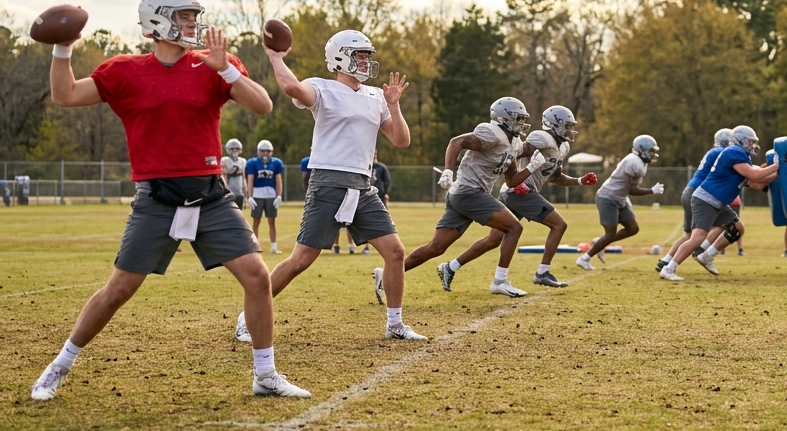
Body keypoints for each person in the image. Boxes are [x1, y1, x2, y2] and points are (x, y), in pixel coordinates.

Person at [30, 0, 308, 401]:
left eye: (194, 16)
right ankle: (60, 365)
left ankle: (265, 374)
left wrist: (225, 70)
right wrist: (62, 48)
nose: (194, 24)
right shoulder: (123, 70)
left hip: (210, 195)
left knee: (256, 277)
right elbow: (65, 94)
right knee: (119, 289)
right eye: (184, 16)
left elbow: (263, 105)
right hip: (156, 199)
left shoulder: (215, 65)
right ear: (158, 21)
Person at [237, 30, 426, 343]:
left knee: (395, 252)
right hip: (328, 182)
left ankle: (395, 324)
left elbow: (401, 140)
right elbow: (289, 87)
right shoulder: (322, 88)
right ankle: (248, 317)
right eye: (360, 55)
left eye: (368, 55)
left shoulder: (375, 96)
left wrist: (394, 105)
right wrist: (275, 57)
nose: (366, 61)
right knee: (301, 260)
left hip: (363, 186)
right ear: (340, 57)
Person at [448, 105, 599, 288]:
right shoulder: (542, 138)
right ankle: (541, 273)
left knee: (493, 240)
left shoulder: (563, 146)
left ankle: (451, 266)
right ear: (555, 124)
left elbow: (555, 177)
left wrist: (580, 181)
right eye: (566, 125)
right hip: (520, 192)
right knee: (559, 225)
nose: (569, 130)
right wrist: (517, 180)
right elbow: (513, 154)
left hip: (516, 193)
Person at [403, 97, 530, 297]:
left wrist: (533, 167)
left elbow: (512, 180)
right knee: (514, 227)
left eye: (522, 119)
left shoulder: (514, 143)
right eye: (518, 119)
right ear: (503, 118)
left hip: (464, 195)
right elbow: (457, 142)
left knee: (436, 247)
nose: (521, 123)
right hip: (468, 192)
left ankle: (387, 275)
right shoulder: (491, 133)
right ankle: (500, 281)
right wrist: (447, 171)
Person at [660, 126, 778, 281]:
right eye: (750, 142)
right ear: (740, 140)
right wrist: (777, 165)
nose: (753, 145)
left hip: (718, 202)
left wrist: (778, 173)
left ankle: (707, 256)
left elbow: (756, 183)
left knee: (737, 229)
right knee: (697, 237)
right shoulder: (734, 152)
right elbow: (754, 175)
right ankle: (669, 268)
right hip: (706, 199)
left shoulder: (741, 155)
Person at [578, 135, 664, 270]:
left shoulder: (641, 163)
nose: (653, 154)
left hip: (620, 197)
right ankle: (584, 258)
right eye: (651, 151)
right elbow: (632, 189)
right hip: (608, 197)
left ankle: (600, 244)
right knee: (610, 233)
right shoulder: (633, 162)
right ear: (642, 150)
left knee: (632, 229)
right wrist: (651, 190)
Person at [659, 129, 732, 272]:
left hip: (690, 191)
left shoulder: (714, 151)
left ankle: (665, 261)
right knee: (721, 226)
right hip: (702, 195)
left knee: (689, 234)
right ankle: (701, 252)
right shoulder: (722, 153)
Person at [245, 140, 284, 254]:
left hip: (271, 195)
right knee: (256, 221)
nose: (265, 153)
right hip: (257, 195)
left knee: (272, 221)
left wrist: (279, 195)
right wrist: (250, 196)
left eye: (268, 151)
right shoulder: (252, 163)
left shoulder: (276, 163)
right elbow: (250, 180)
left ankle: (273, 247)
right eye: (263, 151)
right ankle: (254, 246)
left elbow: (278, 180)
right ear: (258, 151)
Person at [222, 139, 247, 209]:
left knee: (239, 211)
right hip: (229, 191)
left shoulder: (242, 161)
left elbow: (243, 178)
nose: (234, 151)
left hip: (239, 192)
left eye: (237, 149)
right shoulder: (225, 161)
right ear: (228, 150)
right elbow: (223, 177)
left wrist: (246, 192)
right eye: (232, 149)